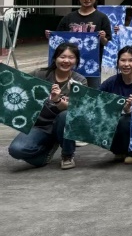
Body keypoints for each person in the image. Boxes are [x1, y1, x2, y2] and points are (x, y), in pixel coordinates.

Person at [7, 42, 87, 170]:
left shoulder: (80, 80)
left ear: (76, 60)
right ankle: (46, 152)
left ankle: (67, 154)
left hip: (63, 125)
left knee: (65, 115)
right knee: (16, 150)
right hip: (40, 126)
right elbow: (18, 83)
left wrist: (57, 100)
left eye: (71, 57)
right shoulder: (40, 74)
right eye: (62, 57)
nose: (66, 61)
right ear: (55, 58)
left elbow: (75, 109)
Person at [48, 0, 112, 88]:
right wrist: (50, 36)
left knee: (91, 94)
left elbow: (106, 42)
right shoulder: (68, 18)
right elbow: (59, 41)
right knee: (66, 93)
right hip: (68, 65)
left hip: (92, 67)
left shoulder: (102, 18)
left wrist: (103, 38)